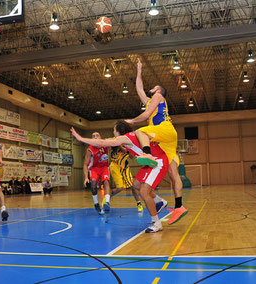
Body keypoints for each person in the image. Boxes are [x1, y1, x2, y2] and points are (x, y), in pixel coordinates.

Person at [72, 121, 170, 233]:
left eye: (114, 130)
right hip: (152, 161)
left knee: (143, 192)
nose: (113, 132)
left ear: (119, 131)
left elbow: (101, 143)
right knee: (136, 184)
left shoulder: (125, 138)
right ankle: (159, 201)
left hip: (158, 162)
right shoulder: (131, 137)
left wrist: (81, 138)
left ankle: (157, 223)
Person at [125, 58, 188, 225]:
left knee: (140, 131)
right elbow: (139, 88)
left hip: (164, 130)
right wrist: (139, 71)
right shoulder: (150, 102)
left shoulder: (158, 96)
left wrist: (130, 121)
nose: (151, 89)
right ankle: (179, 206)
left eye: (154, 88)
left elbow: (145, 116)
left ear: (158, 90)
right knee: (173, 172)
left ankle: (147, 155)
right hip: (166, 139)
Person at [82, 132, 111, 214]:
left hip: (104, 167)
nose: (95, 137)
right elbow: (85, 164)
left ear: (100, 137)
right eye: (93, 136)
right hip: (94, 168)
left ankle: (107, 202)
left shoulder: (105, 142)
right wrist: (86, 177)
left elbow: (116, 141)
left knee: (106, 182)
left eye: (97, 135)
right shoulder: (90, 149)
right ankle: (96, 204)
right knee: (93, 183)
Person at [109, 146, 143, 211]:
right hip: (115, 167)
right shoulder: (115, 143)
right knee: (120, 188)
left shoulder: (126, 146)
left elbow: (131, 156)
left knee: (133, 186)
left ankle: (139, 203)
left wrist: (129, 149)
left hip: (125, 168)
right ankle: (107, 199)